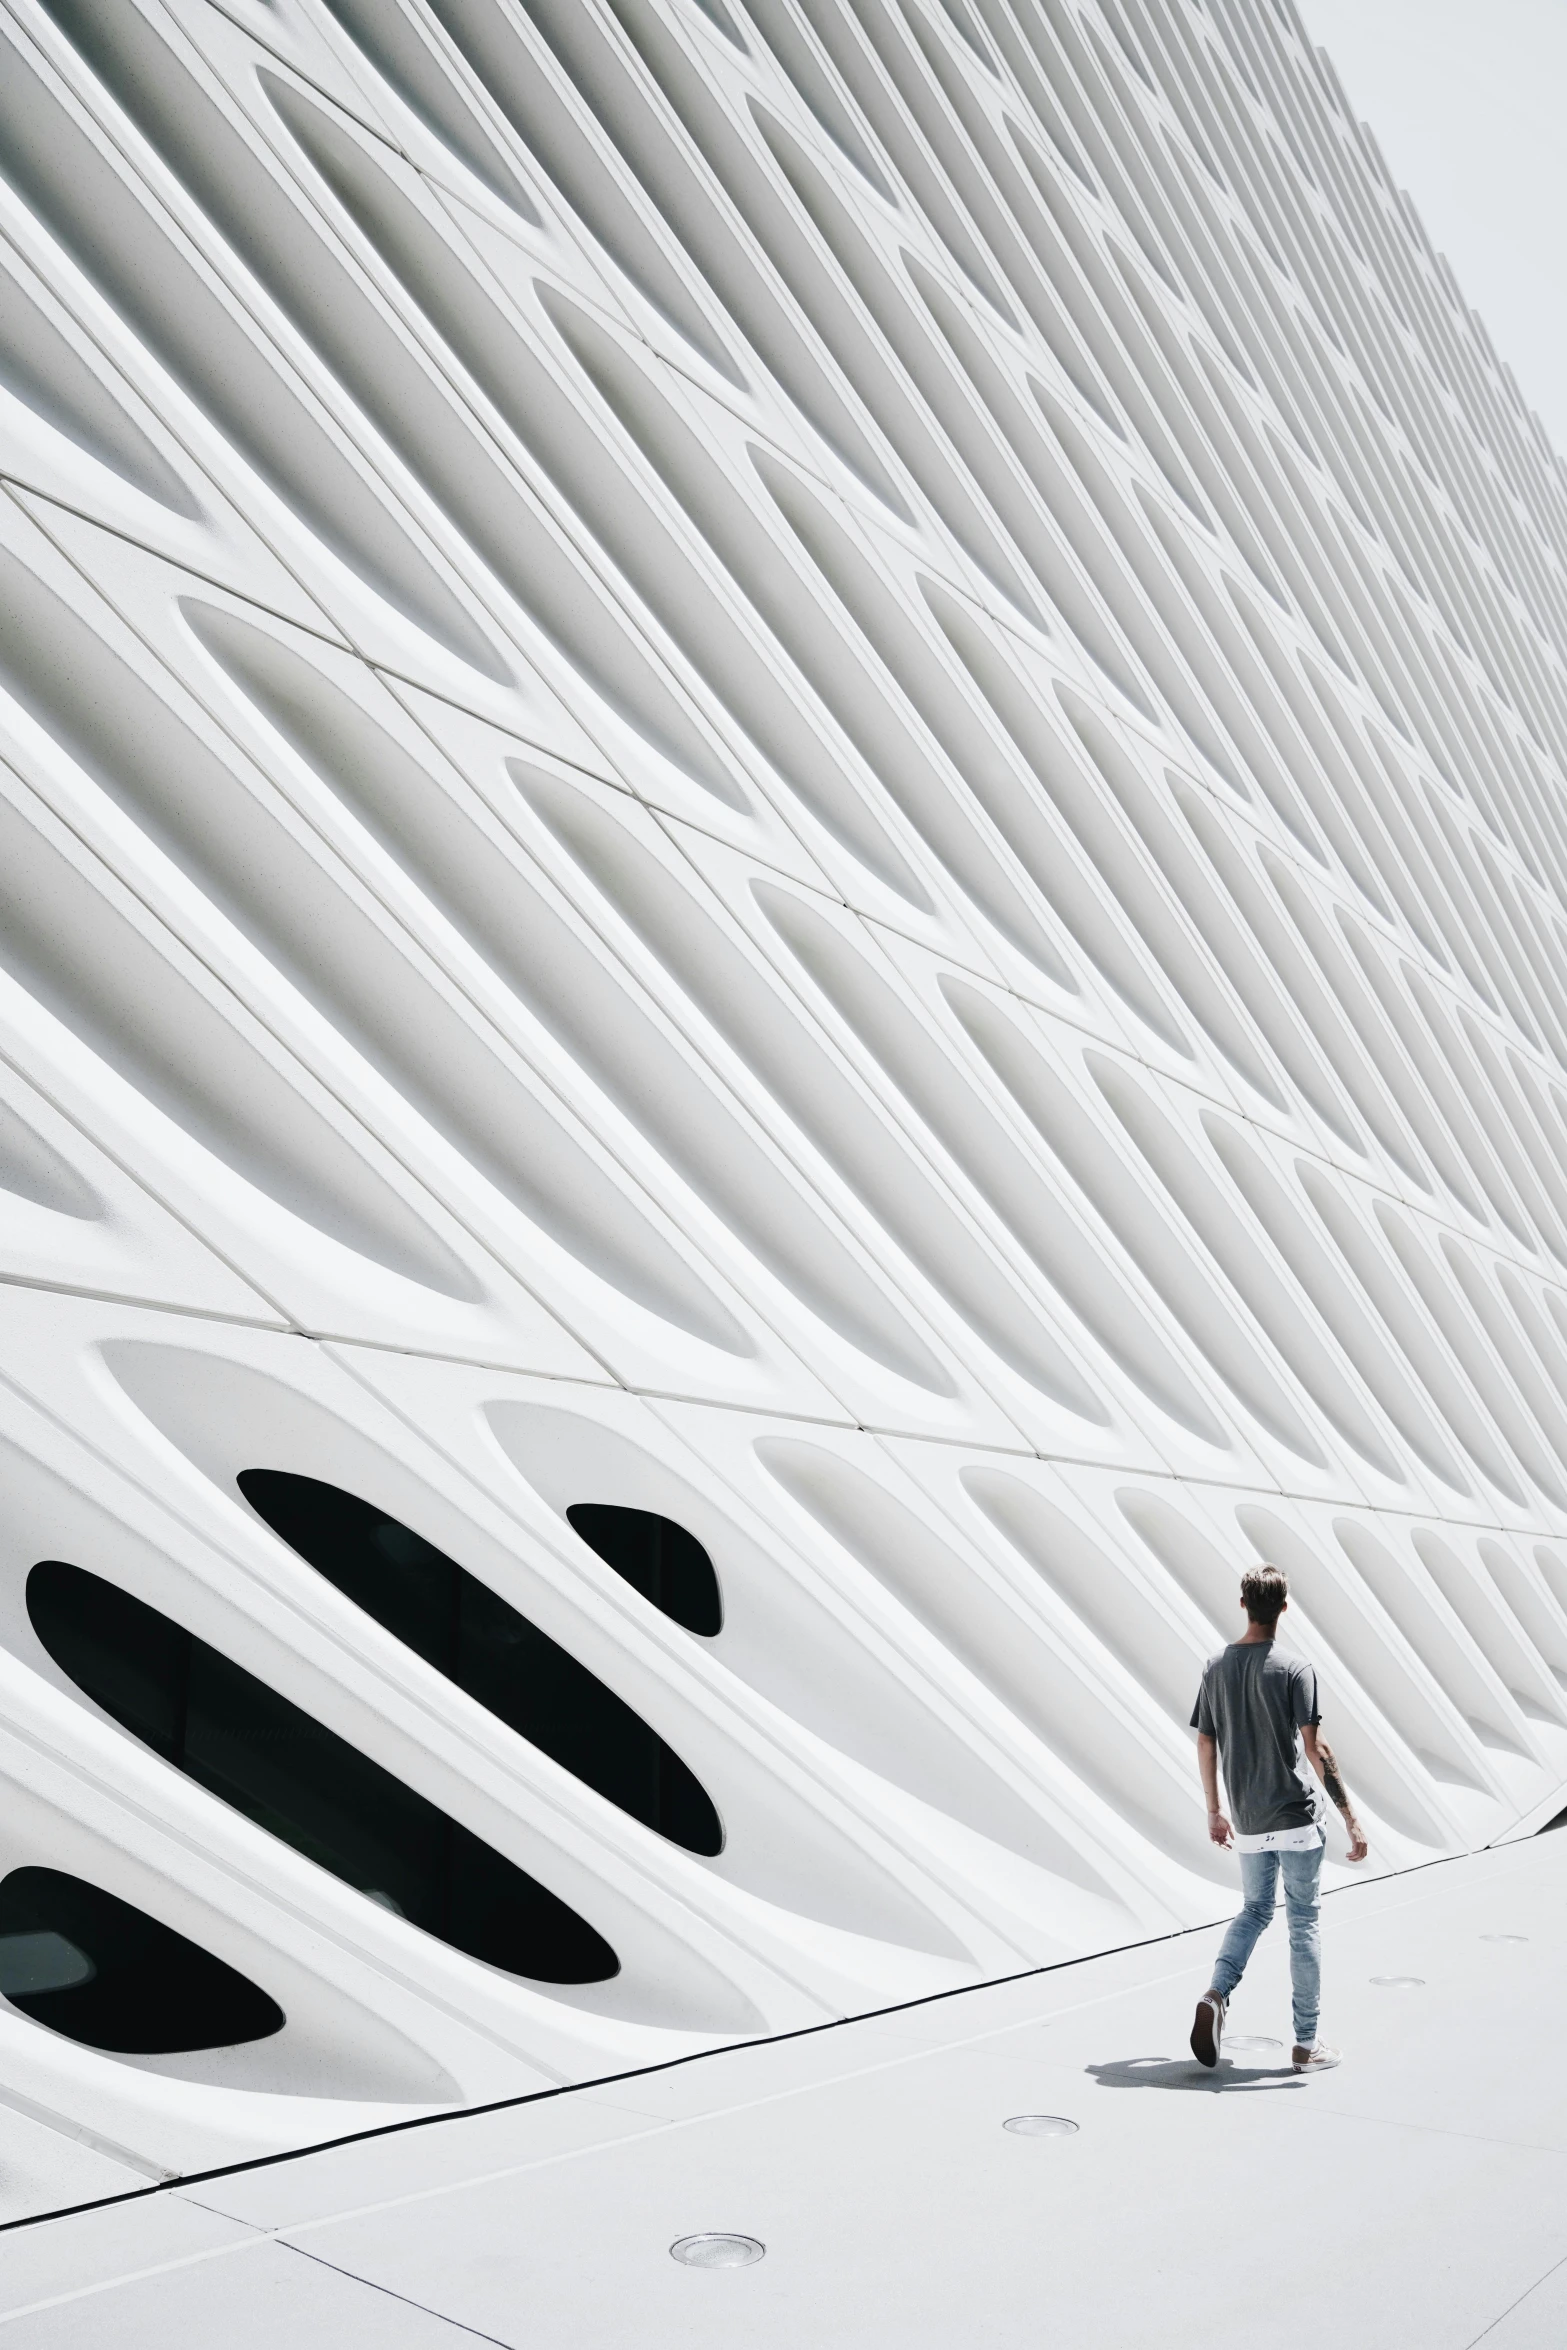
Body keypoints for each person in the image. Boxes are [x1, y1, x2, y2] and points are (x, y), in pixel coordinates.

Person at [1189, 1565, 1367, 2073]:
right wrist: (1352, 1819)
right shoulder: (1294, 1669)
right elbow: (1317, 1749)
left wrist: (1215, 1811)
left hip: (1247, 1818)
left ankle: (1217, 1992)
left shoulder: (1214, 1666)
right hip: (1296, 1816)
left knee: (1254, 1910)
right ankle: (1306, 2044)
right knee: (1303, 1923)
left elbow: (1206, 1740)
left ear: (1243, 1603)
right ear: (1284, 1608)